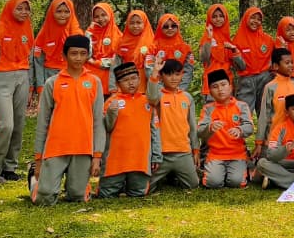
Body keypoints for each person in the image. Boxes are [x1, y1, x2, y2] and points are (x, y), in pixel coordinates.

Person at [30, 35, 104, 206]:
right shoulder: (52, 83)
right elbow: (42, 122)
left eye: (83, 53)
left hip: (83, 148)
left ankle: (79, 186)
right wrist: (39, 158)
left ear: (88, 55)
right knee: (45, 199)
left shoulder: (94, 82)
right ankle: (35, 183)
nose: (78, 58)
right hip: (56, 147)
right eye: (73, 53)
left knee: (77, 196)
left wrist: (97, 156)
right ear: (64, 55)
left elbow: (98, 121)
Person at [0, 0, 34, 185]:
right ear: (10, 9)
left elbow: (29, 52)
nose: (23, 12)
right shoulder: (0, 27)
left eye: (26, 9)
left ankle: (9, 167)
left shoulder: (27, 28)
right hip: (0, 76)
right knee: (5, 125)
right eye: (19, 8)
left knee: (18, 124)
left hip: (22, 76)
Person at [98, 61, 160, 199]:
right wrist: (111, 113)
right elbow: (106, 128)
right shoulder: (111, 102)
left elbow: (155, 131)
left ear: (139, 79)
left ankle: (128, 185)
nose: (131, 83)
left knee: (138, 193)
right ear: (118, 84)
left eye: (134, 78)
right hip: (115, 160)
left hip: (140, 160)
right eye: (125, 80)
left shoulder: (147, 101)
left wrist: (156, 155)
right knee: (106, 194)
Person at [199, 69, 253, 189]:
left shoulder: (241, 106)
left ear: (230, 86)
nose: (220, 89)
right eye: (215, 87)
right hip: (215, 154)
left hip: (237, 153)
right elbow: (200, 131)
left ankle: (242, 167)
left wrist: (240, 130)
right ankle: (214, 170)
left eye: (223, 85)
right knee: (213, 183)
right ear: (210, 92)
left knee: (236, 182)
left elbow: (249, 127)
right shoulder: (207, 109)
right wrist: (210, 127)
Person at [150, 60, 199, 191]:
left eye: (177, 74)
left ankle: (174, 174)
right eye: (169, 74)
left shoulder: (187, 97)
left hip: (183, 151)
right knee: (145, 188)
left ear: (182, 75)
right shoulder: (158, 95)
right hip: (162, 153)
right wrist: (155, 72)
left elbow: (192, 126)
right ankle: (167, 174)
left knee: (193, 184)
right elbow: (151, 97)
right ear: (161, 76)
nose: (173, 78)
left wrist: (195, 149)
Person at [256, 93, 294, 189]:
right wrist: (287, 148)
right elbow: (271, 155)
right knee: (262, 164)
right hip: (283, 164)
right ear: (287, 112)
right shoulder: (280, 128)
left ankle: (277, 180)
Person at [31, 0, 81, 96]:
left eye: (66, 12)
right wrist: (40, 86)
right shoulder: (44, 34)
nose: (63, 15)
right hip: (49, 76)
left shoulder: (77, 34)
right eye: (59, 11)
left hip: (72, 75)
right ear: (52, 12)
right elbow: (38, 62)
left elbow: (83, 60)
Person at [229, 6, 275, 113]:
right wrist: (236, 53)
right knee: (244, 111)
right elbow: (238, 66)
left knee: (265, 111)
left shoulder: (267, 39)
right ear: (246, 18)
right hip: (246, 80)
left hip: (265, 78)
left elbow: (277, 57)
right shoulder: (237, 40)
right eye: (253, 18)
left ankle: (265, 126)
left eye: (259, 19)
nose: (256, 21)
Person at [255, 47, 294, 147]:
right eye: (287, 63)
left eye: (292, 62)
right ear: (275, 66)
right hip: (274, 137)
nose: (291, 65)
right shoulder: (270, 87)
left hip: (293, 137)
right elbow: (264, 115)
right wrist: (259, 141)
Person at [151, 13, 195, 93]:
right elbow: (150, 69)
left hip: (180, 90)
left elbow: (188, 70)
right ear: (160, 28)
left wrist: (181, 89)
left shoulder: (185, 48)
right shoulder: (153, 48)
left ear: (178, 27)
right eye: (166, 26)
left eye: (173, 26)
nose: (170, 28)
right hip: (159, 91)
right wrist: (160, 89)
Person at [85, 2, 122, 95]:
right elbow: (85, 55)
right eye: (96, 16)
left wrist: (95, 62)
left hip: (110, 81)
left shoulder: (119, 36)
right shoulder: (90, 33)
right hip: (91, 79)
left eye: (103, 15)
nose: (100, 19)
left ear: (110, 14)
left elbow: (115, 61)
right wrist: (88, 35)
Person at [197, 4, 234, 95]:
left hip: (226, 81)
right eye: (214, 16)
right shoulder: (206, 37)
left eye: (221, 16)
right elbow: (203, 58)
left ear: (225, 17)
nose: (218, 19)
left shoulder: (228, 37)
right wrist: (209, 38)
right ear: (209, 18)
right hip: (211, 82)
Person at [115, 10, 153, 89]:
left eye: (139, 23)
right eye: (132, 23)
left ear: (145, 23)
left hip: (145, 85)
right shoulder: (121, 42)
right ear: (127, 24)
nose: (135, 26)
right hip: (125, 84)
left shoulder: (152, 43)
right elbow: (116, 65)